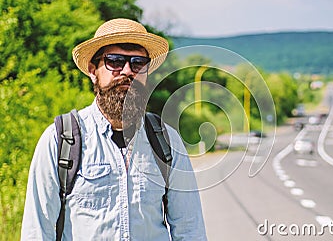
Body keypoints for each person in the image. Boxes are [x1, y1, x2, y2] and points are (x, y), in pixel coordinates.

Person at [21, 18, 207, 240]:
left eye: (138, 63)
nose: (127, 71)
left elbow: (189, 230)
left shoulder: (167, 141)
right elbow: (37, 232)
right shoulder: (60, 140)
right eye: (115, 61)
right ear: (93, 70)